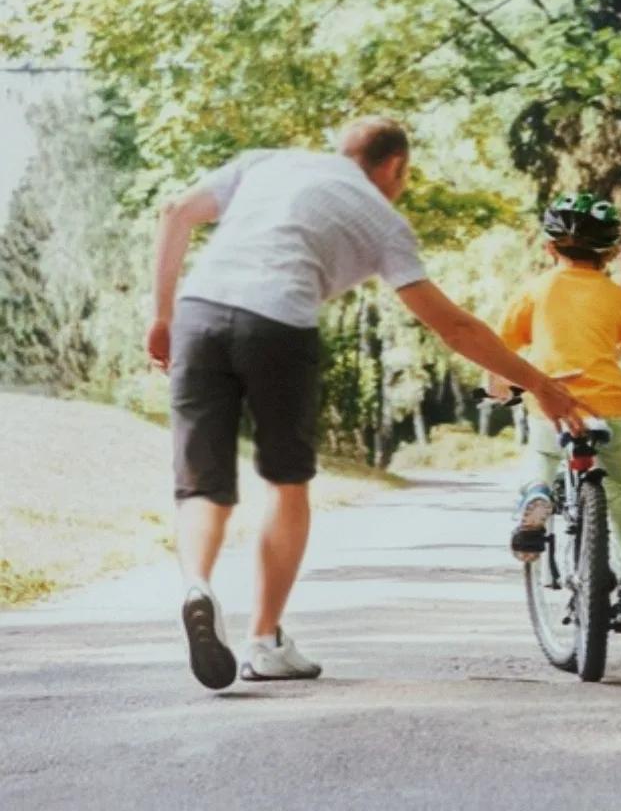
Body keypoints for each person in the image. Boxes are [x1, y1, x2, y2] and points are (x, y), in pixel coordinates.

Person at [146, 116, 593, 690]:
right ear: (395, 167)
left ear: (341, 149)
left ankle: (198, 585)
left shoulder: (268, 163)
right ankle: (264, 639)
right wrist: (543, 385)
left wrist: (161, 317)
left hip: (201, 312)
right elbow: (454, 327)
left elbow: (174, 212)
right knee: (286, 484)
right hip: (279, 326)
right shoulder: (383, 219)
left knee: (202, 482)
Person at [488, 192, 621, 626]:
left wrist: (499, 389)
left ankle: (536, 493)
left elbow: (500, 350)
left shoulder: (535, 290)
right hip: (610, 404)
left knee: (543, 454)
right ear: (607, 253)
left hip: (552, 398)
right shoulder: (614, 295)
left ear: (549, 247)